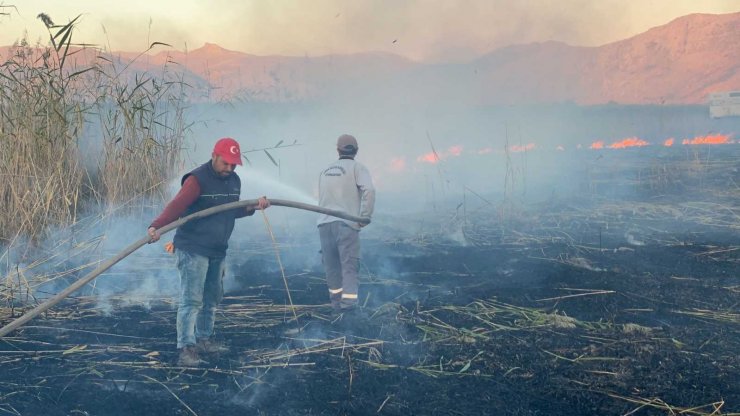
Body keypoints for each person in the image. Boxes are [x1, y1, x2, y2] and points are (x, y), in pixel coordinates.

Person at [148, 137, 270, 366]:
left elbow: (230, 211)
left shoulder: (234, 181)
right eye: (226, 163)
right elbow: (177, 206)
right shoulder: (197, 180)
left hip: (217, 250)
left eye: (234, 164)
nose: (230, 168)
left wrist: (252, 207)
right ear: (214, 156)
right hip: (193, 248)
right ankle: (186, 347)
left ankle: (204, 339)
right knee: (191, 300)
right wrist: (157, 226)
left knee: (211, 298)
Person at [317, 134, 375, 318]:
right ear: (356, 150)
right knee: (349, 266)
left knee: (332, 267)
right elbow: (369, 190)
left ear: (338, 150)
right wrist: (364, 216)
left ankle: (336, 305)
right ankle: (348, 307)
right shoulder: (358, 168)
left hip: (324, 225)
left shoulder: (325, 170)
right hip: (346, 225)